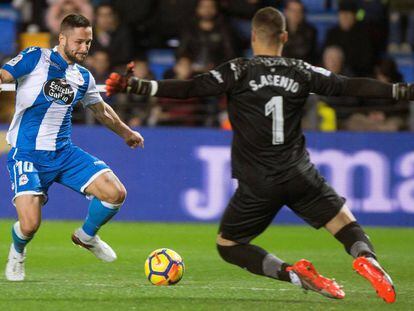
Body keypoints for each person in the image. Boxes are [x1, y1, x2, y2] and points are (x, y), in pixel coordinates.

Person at [106, 7, 405, 303]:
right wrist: (402, 92)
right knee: (343, 222)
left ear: (252, 37)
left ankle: (295, 274)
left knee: (229, 244)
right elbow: (350, 86)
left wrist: (136, 85)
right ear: (284, 36)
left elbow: (191, 88)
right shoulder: (300, 71)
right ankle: (367, 259)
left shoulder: (238, 70)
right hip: (299, 173)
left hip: (258, 183)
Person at [0, 14, 144, 282]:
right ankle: (17, 252)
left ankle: (86, 236)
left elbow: (102, 111)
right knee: (30, 225)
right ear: (62, 38)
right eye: (79, 42)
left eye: (88, 42)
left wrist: (126, 133)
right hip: (27, 153)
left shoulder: (82, 77)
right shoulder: (35, 57)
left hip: (64, 153)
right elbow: (4, 75)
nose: (84, 48)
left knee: (115, 193)